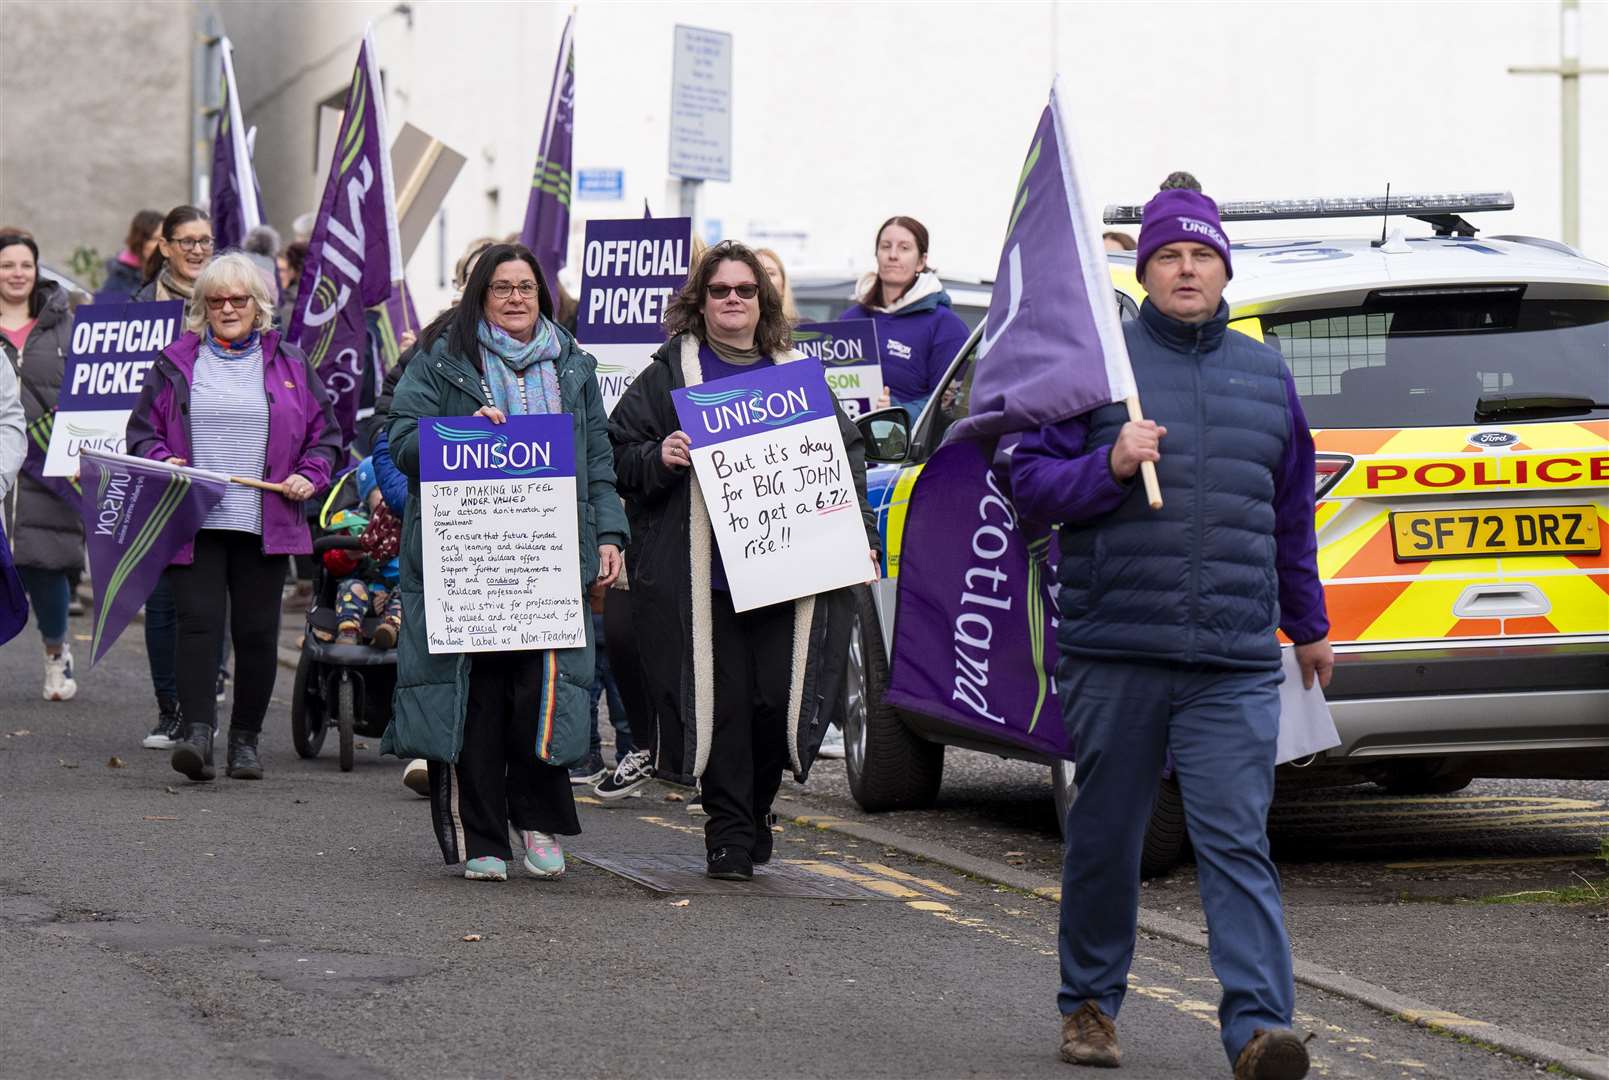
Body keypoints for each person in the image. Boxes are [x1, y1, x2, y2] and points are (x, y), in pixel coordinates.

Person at [1010, 174, 1330, 1079]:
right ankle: (1088, 1006)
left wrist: (1308, 623)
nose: (1186, 270)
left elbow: (1288, 513)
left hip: (1232, 655)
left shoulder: (1266, 375)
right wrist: (1107, 464)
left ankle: (1259, 1030)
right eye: (1168, 257)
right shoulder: (1096, 367)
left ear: (1223, 269)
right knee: (1107, 836)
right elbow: (1028, 485)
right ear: (1142, 269)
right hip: (1116, 648)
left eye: (1200, 256)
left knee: (1236, 840)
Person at [609, 240, 879, 881]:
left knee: (774, 703)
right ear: (699, 303)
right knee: (722, 704)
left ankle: (757, 811)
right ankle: (727, 834)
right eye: (721, 291)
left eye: (746, 290)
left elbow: (844, 461)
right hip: (707, 580)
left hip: (788, 574)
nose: (734, 300)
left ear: (764, 300)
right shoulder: (669, 375)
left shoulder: (797, 372)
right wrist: (660, 457)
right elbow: (616, 451)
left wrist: (860, 533)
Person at [383, 242, 627, 882]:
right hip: (470, 562)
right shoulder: (442, 361)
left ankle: (539, 823)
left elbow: (597, 461)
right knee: (480, 703)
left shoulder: (574, 365)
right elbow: (402, 441)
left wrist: (610, 536)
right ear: (480, 296)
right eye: (502, 288)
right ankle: (484, 838)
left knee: (541, 699)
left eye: (526, 286)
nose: (516, 297)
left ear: (541, 294)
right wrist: (465, 430)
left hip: (548, 561)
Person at [128, 252, 340, 783]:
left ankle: (245, 742)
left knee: (255, 633)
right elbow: (142, 436)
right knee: (198, 626)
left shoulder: (291, 364)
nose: (227, 308)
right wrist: (163, 461)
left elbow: (327, 438)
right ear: (201, 306)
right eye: (216, 299)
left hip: (264, 520)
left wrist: (309, 477)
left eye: (238, 299)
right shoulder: (174, 362)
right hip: (193, 517)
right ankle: (197, 736)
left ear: (259, 306)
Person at [130, 207, 220, 750]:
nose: (195, 250)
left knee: (217, 591)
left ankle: (208, 693)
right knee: (162, 595)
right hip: (155, 465)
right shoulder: (135, 311)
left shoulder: (231, 300)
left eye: (205, 240)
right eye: (185, 241)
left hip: (215, 464)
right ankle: (171, 708)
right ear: (164, 247)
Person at [0, 231, 83, 701]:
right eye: (7, 265)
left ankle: (56, 654)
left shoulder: (65, 327)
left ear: (37, 271)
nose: (16, 274)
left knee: (47, 564)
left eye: (25, 265)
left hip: (48, 468)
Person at [837, 216, 968, 416]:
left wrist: (896, 411)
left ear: (921, 261)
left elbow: (945, 408)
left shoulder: (946, 327)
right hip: (848, 443)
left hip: (906, 444)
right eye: (885, 246)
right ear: (877, 255)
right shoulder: (850, 321)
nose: (893, 255)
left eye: (904, 248)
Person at [94, 210, 164, 304]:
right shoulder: (119, 277)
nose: (162, 245)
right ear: (140, 241)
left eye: (164, 239)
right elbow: (103, 314)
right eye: (155, 239)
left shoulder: (169, 273)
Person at [754, 247, 800, 327]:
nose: (765, 278)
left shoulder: (805, 328)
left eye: (771, 273)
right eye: (757, 273)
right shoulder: (738, 331)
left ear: (783, 284)